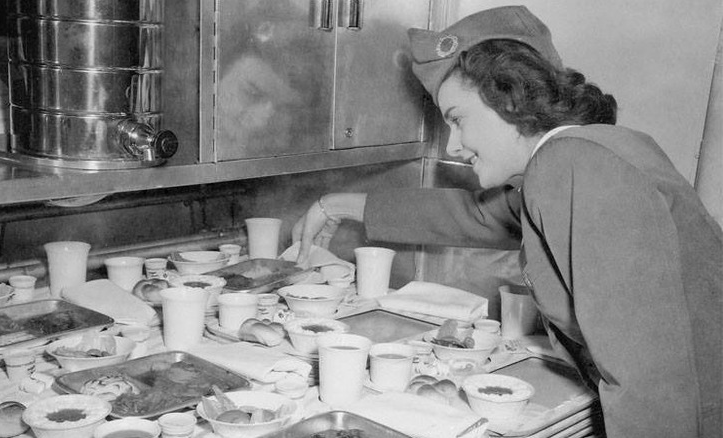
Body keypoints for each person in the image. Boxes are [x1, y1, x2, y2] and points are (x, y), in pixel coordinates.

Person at [291, 6, 722, 438]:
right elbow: (476, 215)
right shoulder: (573, 159)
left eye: (457, 119)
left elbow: (649, 383)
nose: (455, 146)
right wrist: (335, 205)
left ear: (510, 97)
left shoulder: (577, 164)